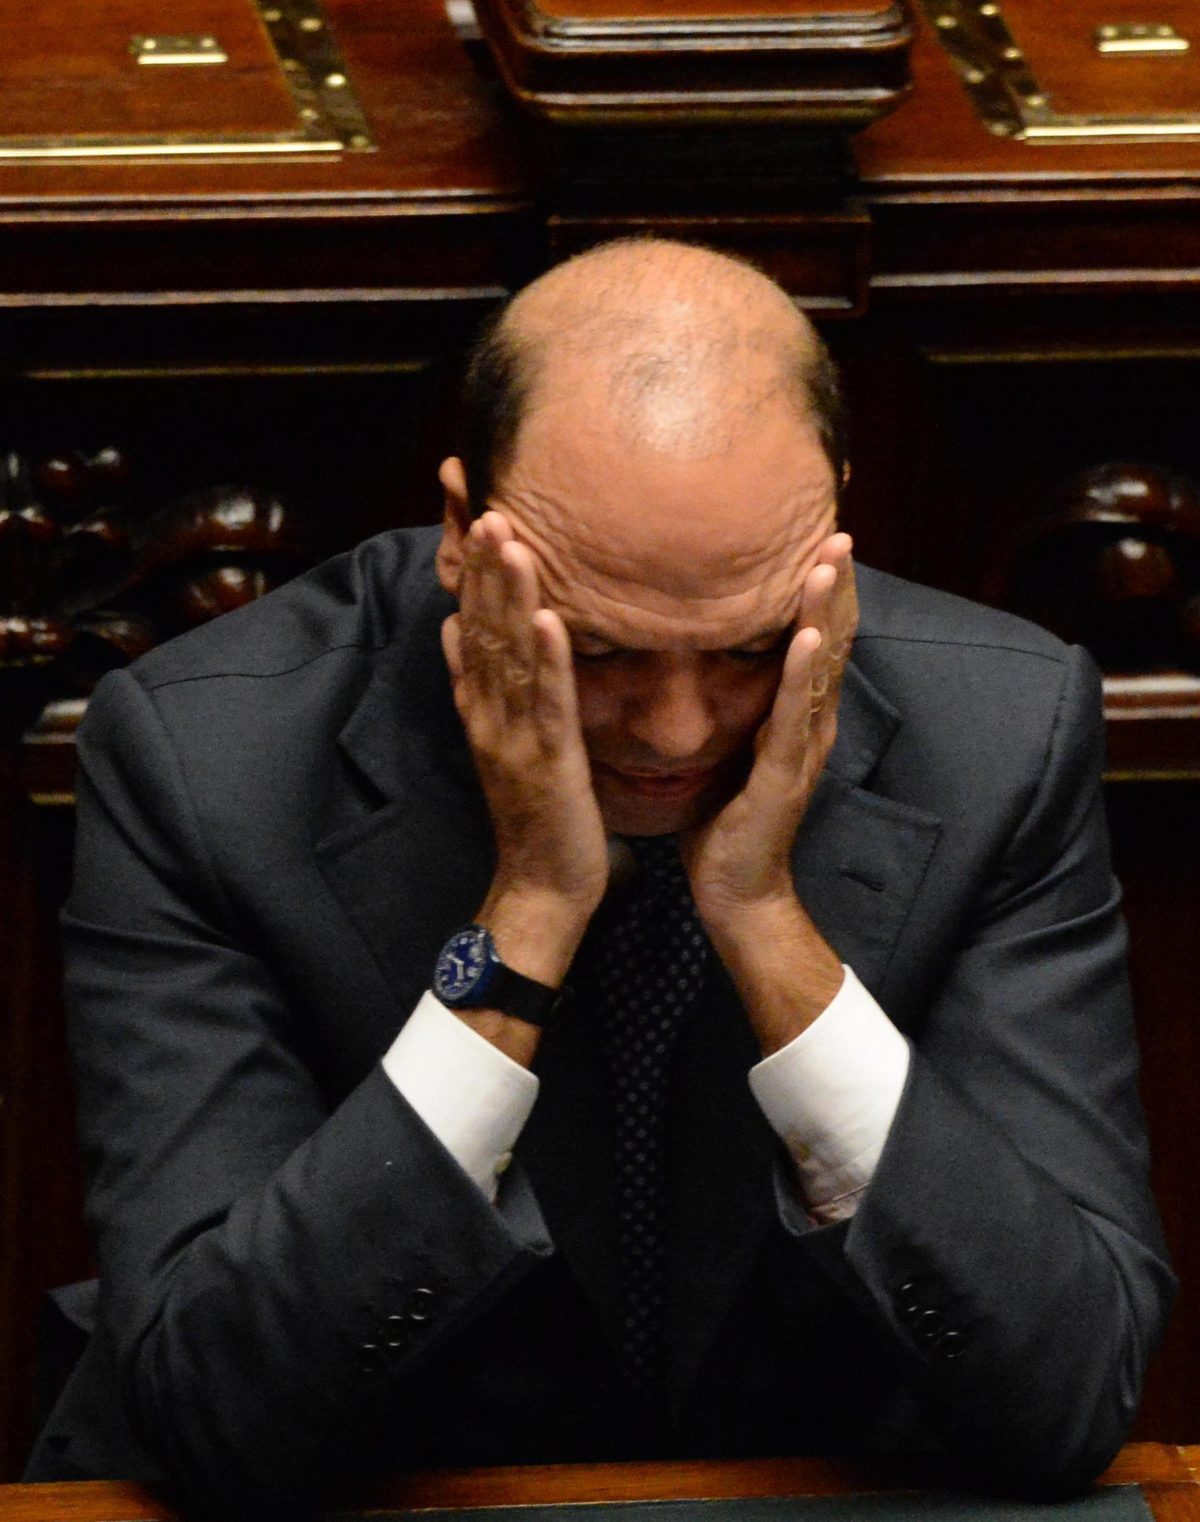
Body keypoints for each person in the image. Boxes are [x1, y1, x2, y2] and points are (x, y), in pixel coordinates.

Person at [28, 239, 1173, 1518]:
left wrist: (766, 923)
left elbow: (1068, 1392)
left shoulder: (1002, 732)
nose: (676, 732)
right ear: (464, 534)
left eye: (747, 649)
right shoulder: (206, 758)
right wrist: (527, 918)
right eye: (604, 651)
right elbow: (214, 1408)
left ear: (830, 533)